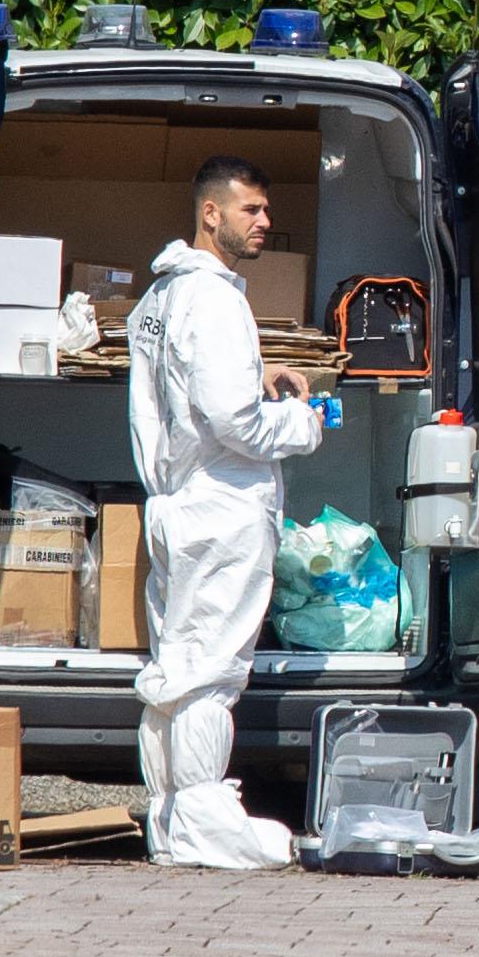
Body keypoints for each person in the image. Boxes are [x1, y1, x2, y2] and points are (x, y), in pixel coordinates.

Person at [126, 155, 321, 869]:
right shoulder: (212, 298)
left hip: (176, 504)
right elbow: (236, 422)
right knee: (211, 670)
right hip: (223, 508)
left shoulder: (160, 298)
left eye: (266, 210)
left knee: (174, 666)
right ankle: (207, 821)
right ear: (211, 213)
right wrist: (302, 421)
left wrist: (255, 372)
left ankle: (171, 819)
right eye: (251, 209)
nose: (265, 222)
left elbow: (179, 395)